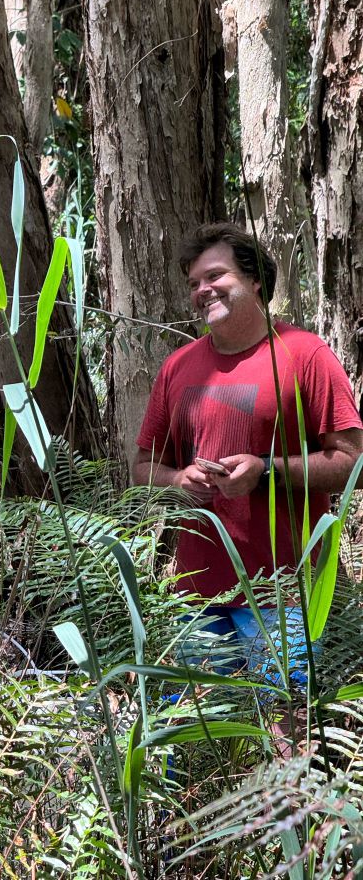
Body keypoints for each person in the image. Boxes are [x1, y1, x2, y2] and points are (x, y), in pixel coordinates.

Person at [132, 224, 363, 684]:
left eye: (215, 276)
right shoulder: (178, 366)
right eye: (193, 283)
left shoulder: (304, 354)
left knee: (284, 735)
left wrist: (265, 471)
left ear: (255, 279)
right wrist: (178, 480)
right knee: (192, 742)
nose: (202, 290)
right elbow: (141, 468)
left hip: (284, 597)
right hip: (194, 598)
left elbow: (353, 461)